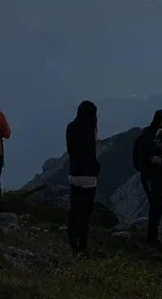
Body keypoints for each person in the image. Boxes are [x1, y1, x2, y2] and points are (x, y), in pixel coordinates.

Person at [132, 109, 162, 248]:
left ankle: (153, 238)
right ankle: (151, 239)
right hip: (149, 176)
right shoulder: (147, 136)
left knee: (158, 206)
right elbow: (141, 158)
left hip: (160, 177)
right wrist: (151, 160)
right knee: (155, 205)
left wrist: (160, 159)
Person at [66, 100, 100, 256]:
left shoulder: (71, 127)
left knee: (75, 207)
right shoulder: (91, 129)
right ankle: (83, 243)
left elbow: (71, 151)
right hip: (90, 176)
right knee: (86, 211)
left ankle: (73, 238)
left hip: (75, 173)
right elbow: (91, 154)